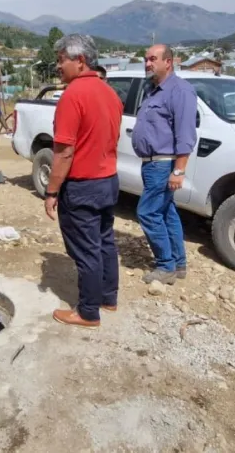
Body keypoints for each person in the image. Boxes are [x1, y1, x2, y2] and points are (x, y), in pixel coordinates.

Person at [43, 34, 123, 328]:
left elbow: (64, 152)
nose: (58, 66)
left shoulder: (73, 95)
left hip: (83, 186)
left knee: (87, 250)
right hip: (108, 181)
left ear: (80, 61)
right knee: (104, 242)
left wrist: (52, 191)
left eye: (61, 60)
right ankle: (108, 298)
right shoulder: (109, 93)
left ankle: (88, 312)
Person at [131, 44, 197, 285]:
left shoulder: (180, 91)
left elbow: (185, 134)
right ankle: (178, 264)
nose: (147, 63)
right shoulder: (153, 89)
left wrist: (178, 170)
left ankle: (165, 266)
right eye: (146, 59)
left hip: (163, 164)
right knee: (166, 212)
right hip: (151, 164)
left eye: (153, 59)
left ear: (168, 62)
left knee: (147, 212)